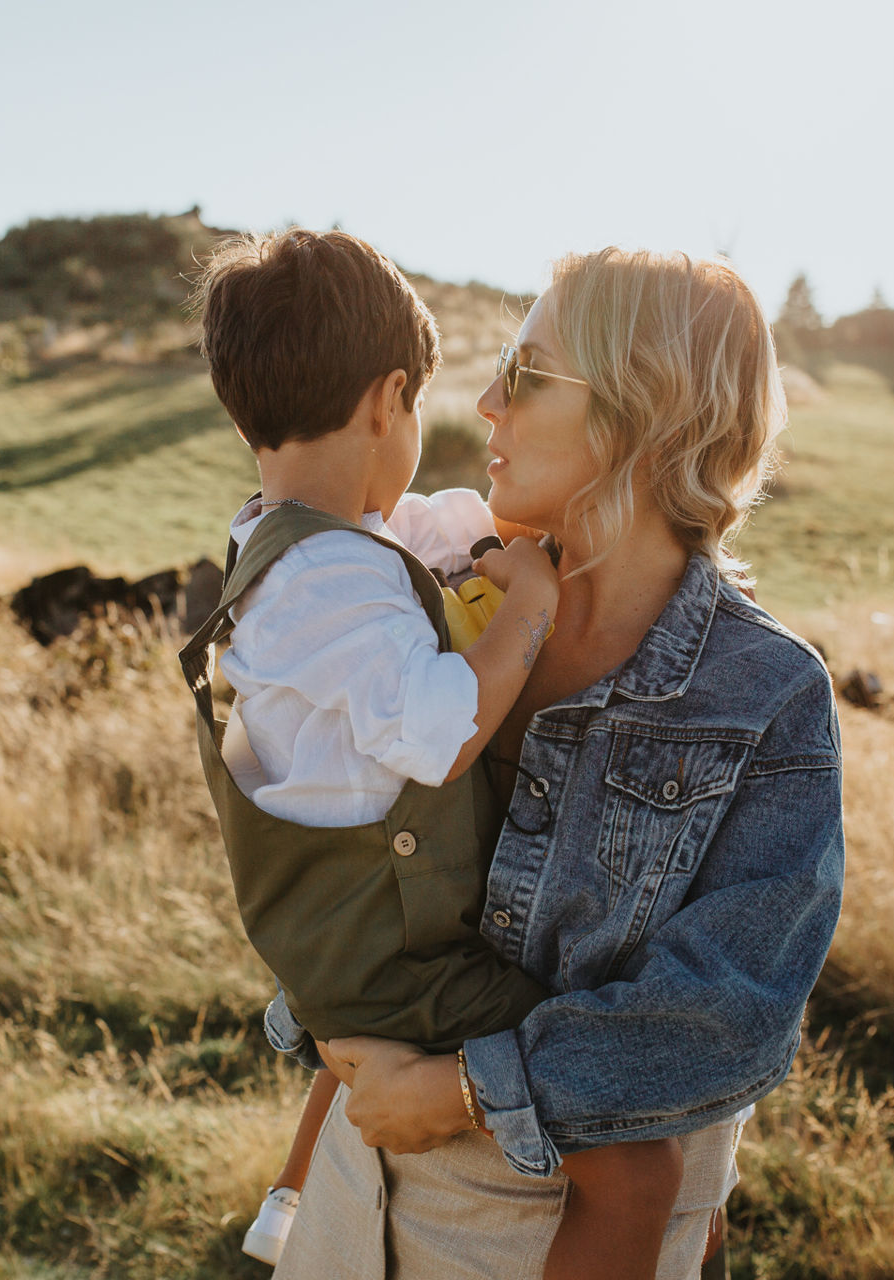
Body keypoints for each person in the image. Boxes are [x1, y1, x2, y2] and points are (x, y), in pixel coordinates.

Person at [270, 247, 847, 1280]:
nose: (487, 402)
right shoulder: (433, 598)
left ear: (644, 409)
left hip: (546, 1235)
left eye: (527, 373)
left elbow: (725, 1017)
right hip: (352, 1201)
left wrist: (464, 1089)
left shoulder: (765, 693)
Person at [177, 228, 690, 1279]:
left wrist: (492, 535)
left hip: (345, 933)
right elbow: (444, 733)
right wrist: (529, 609)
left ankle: (292, 1191)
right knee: (631, 1144)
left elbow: (424, 527)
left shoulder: (295, 546)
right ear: (391, 402)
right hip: (398, 957)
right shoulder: (338, 579)